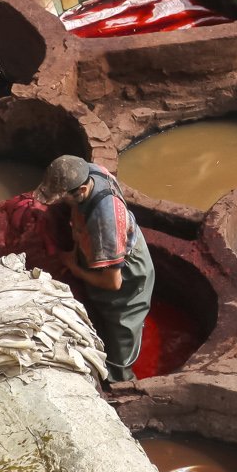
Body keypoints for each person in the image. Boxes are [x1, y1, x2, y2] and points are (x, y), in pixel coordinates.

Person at [36, 154, 155, 383]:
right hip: (102, 250)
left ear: (80, 191)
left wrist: (73, 267)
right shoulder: (89, 170)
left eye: (63, 199)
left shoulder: (105, 221)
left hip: (126, 275)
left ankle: (121, 381)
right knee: (100, 316)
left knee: (121, 335)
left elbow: (114, 283)